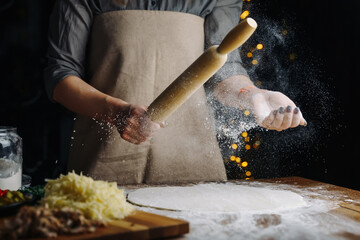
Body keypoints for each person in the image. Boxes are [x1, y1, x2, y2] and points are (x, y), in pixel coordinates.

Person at [44, 0, 306, 185]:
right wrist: (116, 113)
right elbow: (60, 75)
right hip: (105, 158)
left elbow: (223, 71)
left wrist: (254, 95)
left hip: (191, 162)